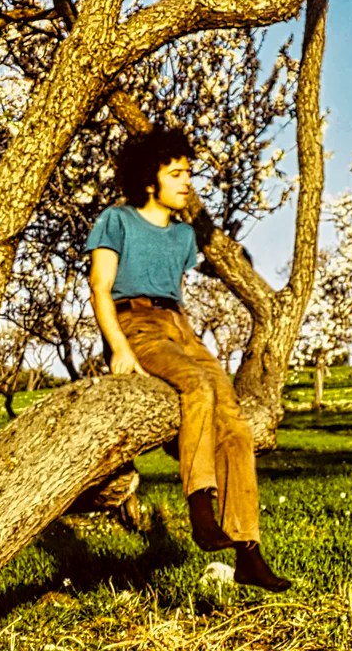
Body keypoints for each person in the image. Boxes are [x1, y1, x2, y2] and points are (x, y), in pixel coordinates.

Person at [86, 125, 291, 593]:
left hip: (181, 327)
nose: (186, 182)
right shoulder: (117, 220)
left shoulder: (183, 236)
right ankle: (200, 505)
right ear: (148, 180)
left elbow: (194, 277)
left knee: (234, 425)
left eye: (188, 173)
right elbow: (100, 288)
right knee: (195, 387)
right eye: (175, 174)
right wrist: (119, 348)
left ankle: (248, 551)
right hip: (136, 322)